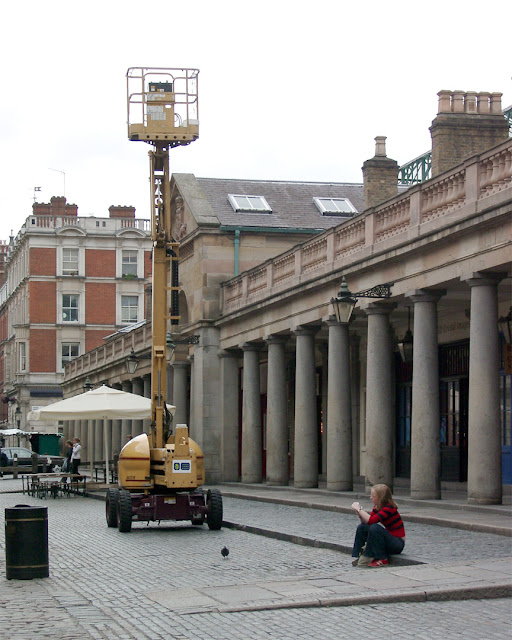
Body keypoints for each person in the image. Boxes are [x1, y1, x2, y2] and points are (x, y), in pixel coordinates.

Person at [351, 483, 405, 568]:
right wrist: (359, 513)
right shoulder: (377, 507)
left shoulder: (389, 508)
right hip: (389, 539)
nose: (371, 498)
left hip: (397, 543)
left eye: (373, 496)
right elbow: (367, 522)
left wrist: (359, 509)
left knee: (375, 528)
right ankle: (360, 555)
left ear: (380, 498)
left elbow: (372, 521)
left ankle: (382, 558)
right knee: (362, 527)